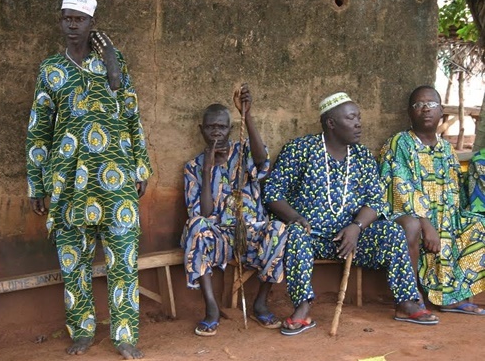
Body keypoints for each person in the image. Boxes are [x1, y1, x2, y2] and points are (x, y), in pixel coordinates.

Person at [26, 0, 153, 359]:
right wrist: (37, 182)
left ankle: (125, 335)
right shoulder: (50, 69)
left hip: (116, 177)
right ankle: (82, 331)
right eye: (66, 18)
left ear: (91, 24)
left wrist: (139, 166)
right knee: (73, 261)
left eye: (79, 19)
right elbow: (38, 130)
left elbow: (131, 115)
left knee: (123, 259)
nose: (71, 25)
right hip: (67, 181)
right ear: (60, 21)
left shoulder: (114, 62)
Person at [264, 91, 439, 336]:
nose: (359, 124)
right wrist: (294, 217)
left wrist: (356, 227)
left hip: (353, 240)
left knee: (391, 232)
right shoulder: (300, 149)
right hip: (310, 235)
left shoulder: (362, 157)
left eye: (358, 117)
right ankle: (303, 308)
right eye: (351, 118)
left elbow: (376, 201)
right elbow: (273, 192)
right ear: (331, 123)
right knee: (294, 233)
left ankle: (406, 303)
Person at [181, 84, 287, 336]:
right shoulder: (193, 166)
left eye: (222, 126)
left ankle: (261, 303)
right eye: (210, 126)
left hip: (251, 235)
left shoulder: (243, 152)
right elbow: (203, 214)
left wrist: (246, 115)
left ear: (230, 128)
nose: (216, 131)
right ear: (201, 130)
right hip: (219, 239)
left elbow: (262, 161)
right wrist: (207, 171)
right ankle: (211, 309)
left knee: (278, 229)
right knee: (195, 226)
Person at [378, 85, 485, 315]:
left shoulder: (447, 149)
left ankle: (452, 295)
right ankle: (410, 294)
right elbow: (400, 187)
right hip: (410, 216)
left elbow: (458, 191)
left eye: (432, 105)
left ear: (440, 112)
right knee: (413, 226)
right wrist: (428, 224)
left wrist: (458, 218)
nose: (425, 109)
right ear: (410, 112)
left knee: (479, 225)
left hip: (447, 219)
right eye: (419, 105)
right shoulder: (399, 143)